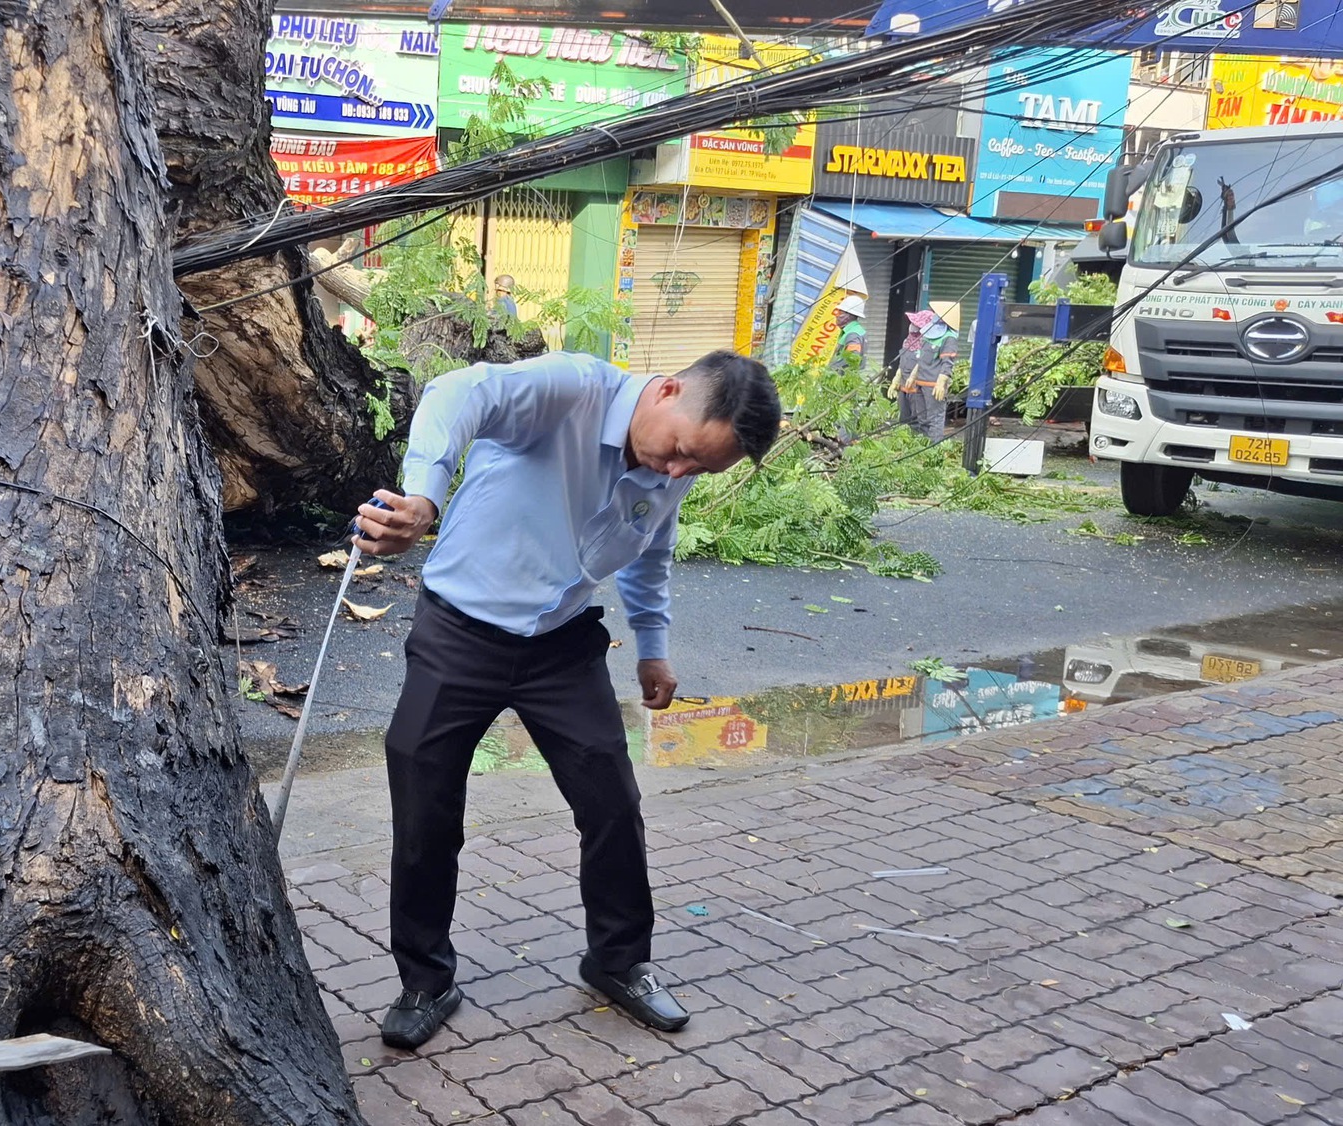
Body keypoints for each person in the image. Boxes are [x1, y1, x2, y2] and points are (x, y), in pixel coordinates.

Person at [350, 349, 782, 1050]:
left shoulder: (670, 467)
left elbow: (649, 552)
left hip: (560, 644)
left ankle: (618, 962)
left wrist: (653, 646)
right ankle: (425, 980)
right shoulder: (574, 390)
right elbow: (458, 389)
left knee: (612, 803)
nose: (676, 474)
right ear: (668, 391)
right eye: (679, 452)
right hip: (460, 630)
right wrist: (423, 496)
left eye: (697, 470)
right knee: (426, 809)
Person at [889, 301, 961, 442]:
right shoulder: (929, 336)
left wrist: (941, 383)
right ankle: (921, 446)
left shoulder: (948, 338)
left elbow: (947, 364)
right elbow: (921, 360)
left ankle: (933, 449)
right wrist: (912, 377)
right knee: (922, 420)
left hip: (933, 385)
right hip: (920, 383)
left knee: (934, 419)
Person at [829, 294, 868, 375]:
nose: (837, 315)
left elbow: (851, 359)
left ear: (848, 315)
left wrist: (831, 370)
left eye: (840, 312)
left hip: (843, 382)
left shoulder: (853, 334)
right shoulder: (854, 330)